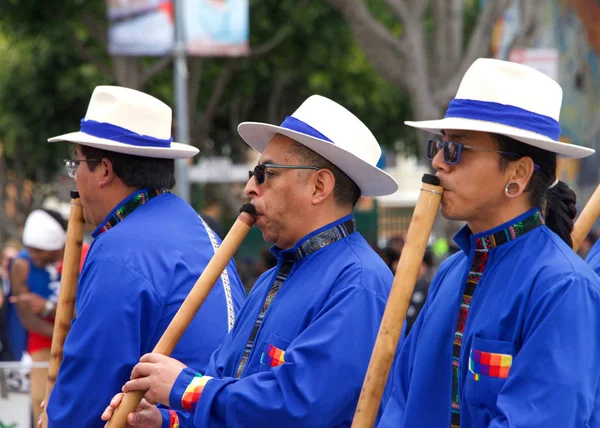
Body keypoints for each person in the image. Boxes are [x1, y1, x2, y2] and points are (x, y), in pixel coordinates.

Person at [102, 94, 400, 427]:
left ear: (319, 186)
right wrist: (165, 420)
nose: (249, 188)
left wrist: (185, 388)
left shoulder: (359, 282)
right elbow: (226, 395)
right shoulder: (267, 282)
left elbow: (299, 406)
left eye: (264, 173)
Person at [378, 58, 600, 427]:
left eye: (456, 149)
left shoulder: (564, 287)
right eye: (439, 146)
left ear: (518, 174)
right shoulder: (449, 273)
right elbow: (401, 400)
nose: (437, 162)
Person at [44, 85, 246, 427]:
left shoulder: (119, 249)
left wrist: (56, 415)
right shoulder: (198, 227)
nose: (74, 176)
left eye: (76, 163)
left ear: (105, 170)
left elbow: (89, 388)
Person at [7, 209, 66, 423]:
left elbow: (86, 308)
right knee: (41, 399)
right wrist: (63, 336)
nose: (34, 256)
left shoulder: (80, 255)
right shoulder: (21, 265)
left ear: (57, 247)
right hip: (42, 340)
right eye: (30, 250)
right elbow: (27, 318)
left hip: (80, 335)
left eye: (39, 251)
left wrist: (47, 306)